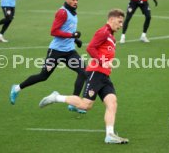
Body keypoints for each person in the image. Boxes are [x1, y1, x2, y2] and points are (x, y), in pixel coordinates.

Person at [39, 9, 129, 144]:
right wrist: (103, 61)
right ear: (111, 19)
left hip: (105, 76)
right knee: (85, 105)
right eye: (119, 21)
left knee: (112, 103)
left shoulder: (111, 36)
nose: (121, 25)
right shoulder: (103, 32)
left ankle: (109, 135)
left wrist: (107, 63)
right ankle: (56, 97)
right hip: (96, 73)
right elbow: (90, 48)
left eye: (122, 22)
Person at [10, 0, 87, 114]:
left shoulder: (73, 12)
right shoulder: (62, 12)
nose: (75, 1)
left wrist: (75, 39)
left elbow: (69, 30)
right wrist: (71, 35)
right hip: (56, 52)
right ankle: (16, 88)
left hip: (69, 52)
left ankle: (73, 103)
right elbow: (54, 31)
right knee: (43, 76)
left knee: (84, 72)